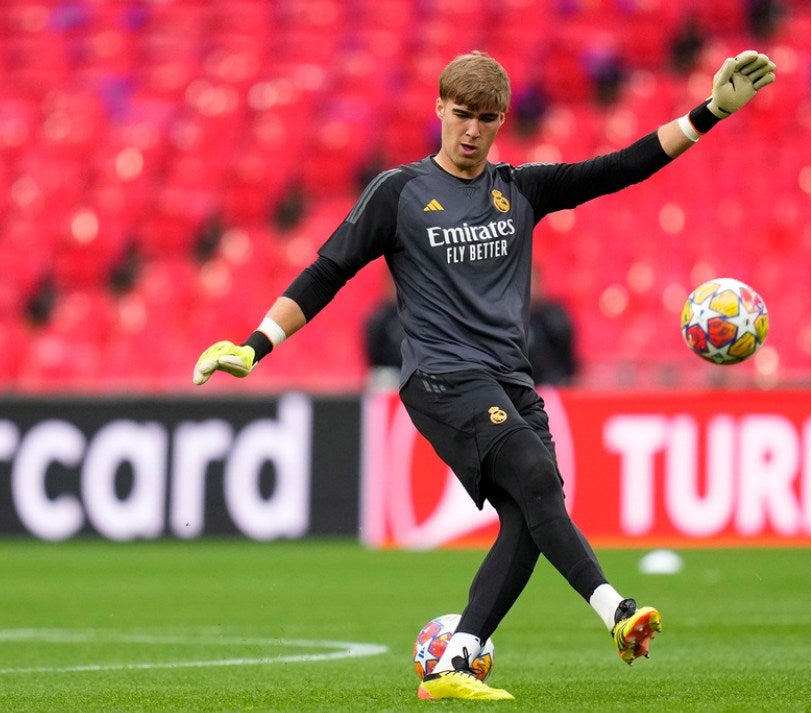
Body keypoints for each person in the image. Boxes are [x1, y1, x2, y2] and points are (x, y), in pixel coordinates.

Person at [194, 49, 776, 701]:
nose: (473, 129)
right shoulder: (400, 192)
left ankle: (455, 661)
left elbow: (620, 168)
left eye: (488, 118)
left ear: (501, 122)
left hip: (510, 381)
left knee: (532, 514)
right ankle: (615, 608)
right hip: (441, 377)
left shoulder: (518, 190)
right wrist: (255, 344)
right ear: (440, 109)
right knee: (535, 478)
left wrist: (712, 111)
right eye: (463, 114)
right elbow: (328, 270)